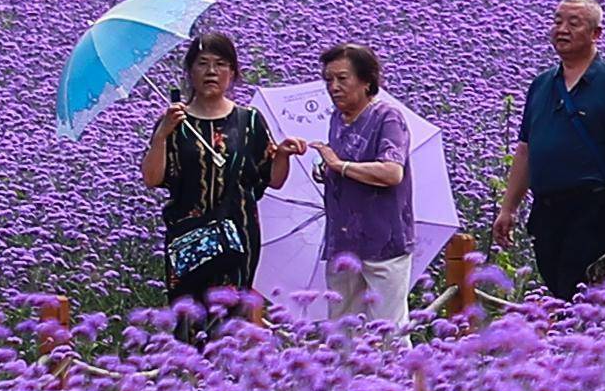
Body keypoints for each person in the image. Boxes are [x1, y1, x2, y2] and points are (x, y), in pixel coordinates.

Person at [504, 0, 605, 299]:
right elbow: (526, 151)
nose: (562, 29)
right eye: (557, 21)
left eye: (574, 23)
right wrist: (508, 208)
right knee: (557, 287)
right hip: (546, 209)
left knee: (577, 287)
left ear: (596, 34)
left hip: (591, 207)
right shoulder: (542, 84)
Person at [141, 30, 277, 316]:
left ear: (233, 72)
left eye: (220, 64)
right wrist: (162, 135)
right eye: (202, 63)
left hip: (237, 238)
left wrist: (286, 154)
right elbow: (152, 178)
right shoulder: (174, 122)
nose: (211, 72)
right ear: (190, 72)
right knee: (188, 319)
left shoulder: (249, 121)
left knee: (231, 321)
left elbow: (272, 177)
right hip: (187, 238)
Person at [303, 44, 422, 329]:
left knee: (387, 326)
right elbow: (345, 164)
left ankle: (396, 374)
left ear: (366, 81)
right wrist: (328, 172)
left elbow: (392, 172)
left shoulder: (387, 117)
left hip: (383, 241)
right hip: (343, 241)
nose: (333, 87)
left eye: (342, 79)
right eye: (328, 80)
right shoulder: (337, 119)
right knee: (341, 327)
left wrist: (339, 166)